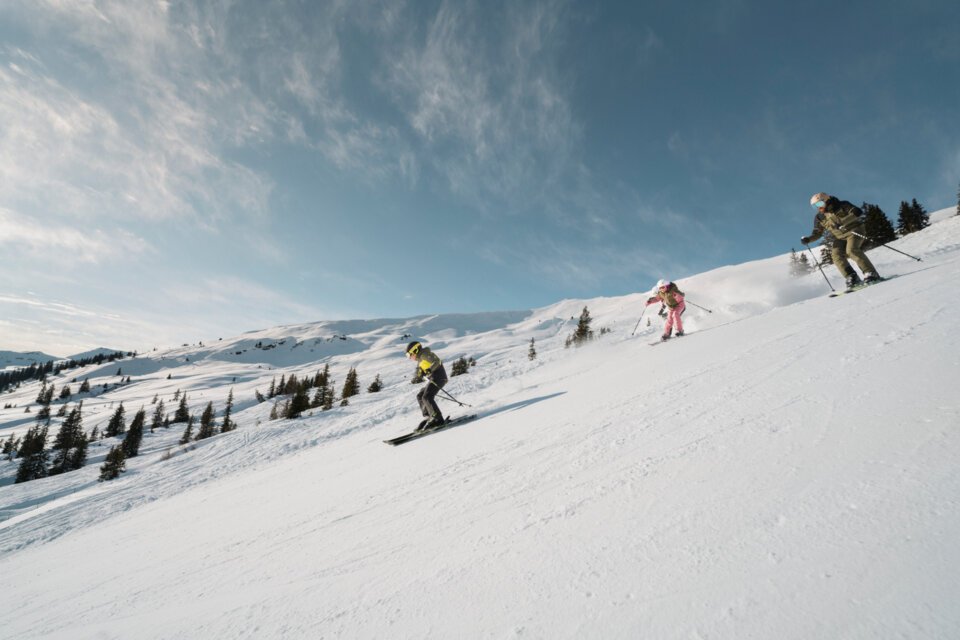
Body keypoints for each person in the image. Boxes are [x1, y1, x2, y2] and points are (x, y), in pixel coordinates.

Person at [801, 192, 881, 288]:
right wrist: (808, 239)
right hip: (840, 237)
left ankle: (870, 273)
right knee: (836, 255)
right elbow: (817, 233)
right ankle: (852, 277)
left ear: (826, 200)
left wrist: (842, 222)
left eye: (819, 204)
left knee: (851, 250)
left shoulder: (842, 205)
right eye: (815, 206)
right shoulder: (819, 217)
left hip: (854, 230)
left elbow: (857, 212)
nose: (818, 208)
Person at [406, 341, 448, 431]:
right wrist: (420, 374)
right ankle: (428, 417)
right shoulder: (420, 360)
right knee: (420, 396)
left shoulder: (425, 354)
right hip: (434, 378)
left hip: (439, 377)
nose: (409, 357)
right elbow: (421, 372)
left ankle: (437, 419)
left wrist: (429, 369)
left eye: (409, 354)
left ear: (415, 350)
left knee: (427, 396)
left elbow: (437, 361)